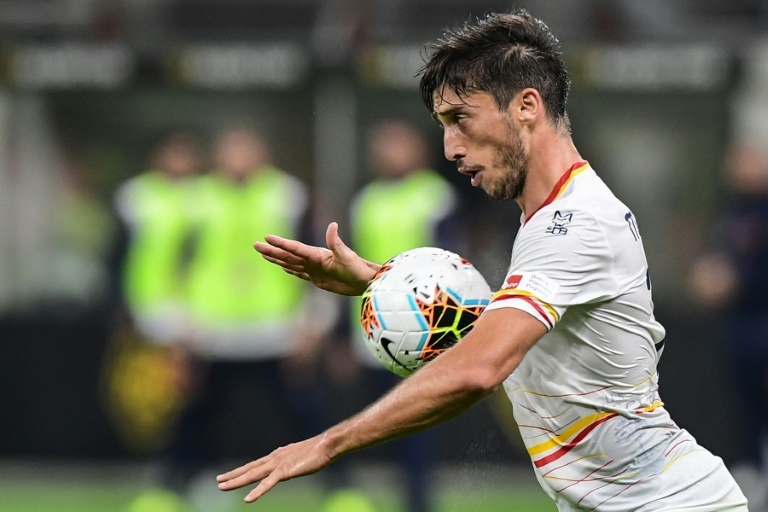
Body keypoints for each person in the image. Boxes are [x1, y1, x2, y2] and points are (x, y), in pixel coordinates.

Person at [217, 11, 748, 511]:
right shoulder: (551, 217)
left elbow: (478, 368)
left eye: (460, 120)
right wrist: (379, 281)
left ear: (526, 107)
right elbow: (504, 325)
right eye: (443, 126)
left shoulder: (574, 223)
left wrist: (328, 443)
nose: (450, 148)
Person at [342, 119, 463, 512]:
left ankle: (418, 502)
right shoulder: (365, 200)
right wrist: (342, 334)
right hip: (370, 328)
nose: (390, 153)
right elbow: (348, 266)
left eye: (398, 144)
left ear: (418, 151)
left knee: (416, 424)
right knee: (371, 422)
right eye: (384, 146)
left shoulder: (435, 196)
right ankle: (350, 494)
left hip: (422, 331)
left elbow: (454, 264)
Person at [689, 142, 768, 508]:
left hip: (761, 325)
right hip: (737, 330)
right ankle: (751, 472)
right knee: (744, 406)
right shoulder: (732, 210)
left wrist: (737, 280)